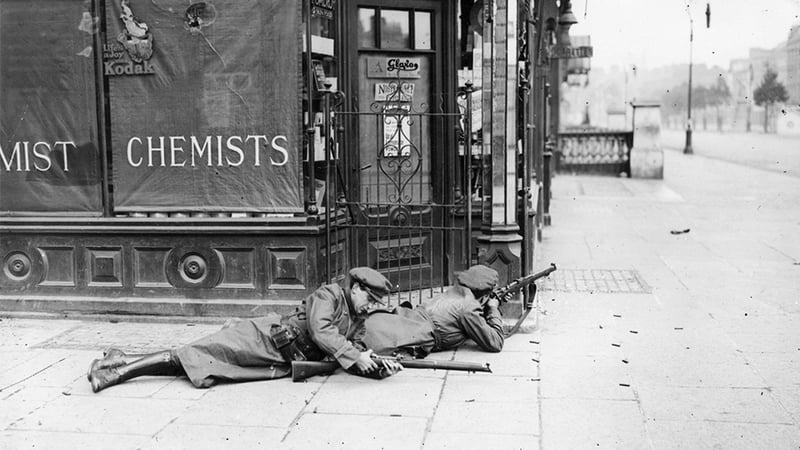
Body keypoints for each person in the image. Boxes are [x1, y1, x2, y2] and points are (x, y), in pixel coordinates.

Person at [87, 267, 403, 393]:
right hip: (264, 337)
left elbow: (357, 346)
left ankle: (120, 357)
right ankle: (115, 374)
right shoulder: (330, 295)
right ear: (357, 288)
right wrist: (354, 355)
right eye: (370, 299)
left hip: (279, 359)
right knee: (191, 355)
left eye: (376, 303)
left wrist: (373, 362)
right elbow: (321, 331)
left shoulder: (357, 317)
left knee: (200, 364)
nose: (371, 307)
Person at [361, 264, 505, 356]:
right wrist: (493, 308)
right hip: (411, 333)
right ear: (485, 295)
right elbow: (495, 343)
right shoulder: (469, 307)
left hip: (399, 319)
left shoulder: (454, 291)